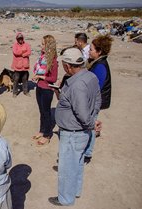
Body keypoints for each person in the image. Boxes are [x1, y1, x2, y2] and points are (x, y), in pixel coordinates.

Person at [49, 48, 102, 206]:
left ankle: (65, 199)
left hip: (73, 133)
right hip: (80, 132)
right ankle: (75, 191)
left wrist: (92, 123)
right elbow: (98, 100)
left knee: (67, 168)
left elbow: (82, 113)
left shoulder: (77, 85)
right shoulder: (90, 76)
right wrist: (93, 119)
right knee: (77, 163)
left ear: (67, 66)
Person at [84, 34, 113, 163]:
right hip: (93, 101)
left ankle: (88, 154)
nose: (89, 51)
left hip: (95, 102)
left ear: (99, 51)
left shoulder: (100, 66)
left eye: (91, 49)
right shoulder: (95, 63)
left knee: (91, 126)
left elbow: (96, 88)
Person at [31, 35, 58, 145]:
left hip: (47, 89)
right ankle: (42, 131)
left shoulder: (53, 61)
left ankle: (47, 134)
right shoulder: (42, 58)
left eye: (43, 44)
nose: (41, 46)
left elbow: (53, 79)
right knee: (41, 111)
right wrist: (37, 75)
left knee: (46, 112)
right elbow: (38, 70)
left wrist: (41, 77)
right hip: (39, 86)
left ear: (48, 46)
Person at [11, 32, 31, 97]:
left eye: (21, 38)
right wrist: (23, 51)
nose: (20, 40)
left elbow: (29, 52)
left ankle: (25, 91)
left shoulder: (27, 44)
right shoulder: (15, 45)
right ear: (17, 39)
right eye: (19, 38)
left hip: (25, 66)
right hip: (17, 66)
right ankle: (14, 92)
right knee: (16, 79)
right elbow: (15, 52)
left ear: (23, 38)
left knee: (25, 79)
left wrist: (23, 54)